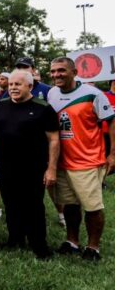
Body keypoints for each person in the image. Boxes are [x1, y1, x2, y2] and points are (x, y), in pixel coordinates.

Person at [48, 57, 115, 261]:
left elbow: (111, 123)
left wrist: (113, 154)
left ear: (75, 72)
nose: (56, 75)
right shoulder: (52, 93)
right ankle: (72, 242)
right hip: (62, 161)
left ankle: (93, 247)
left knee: (92, 207)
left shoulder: (93, 94)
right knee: (70, 205)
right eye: (53, 71)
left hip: (87, 161)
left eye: (61, 70)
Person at [0, 70, 58, 259]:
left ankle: (39, 244)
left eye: (18, 84)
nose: (13, 88)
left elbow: (54, 139)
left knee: (33, 206)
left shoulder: (43, 108)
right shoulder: (1, 105)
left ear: (30, 86)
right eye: (11, 84)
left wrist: (51, 168)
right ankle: (15, 238)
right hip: (6, 165)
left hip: (33, 167)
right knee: (10, 203)